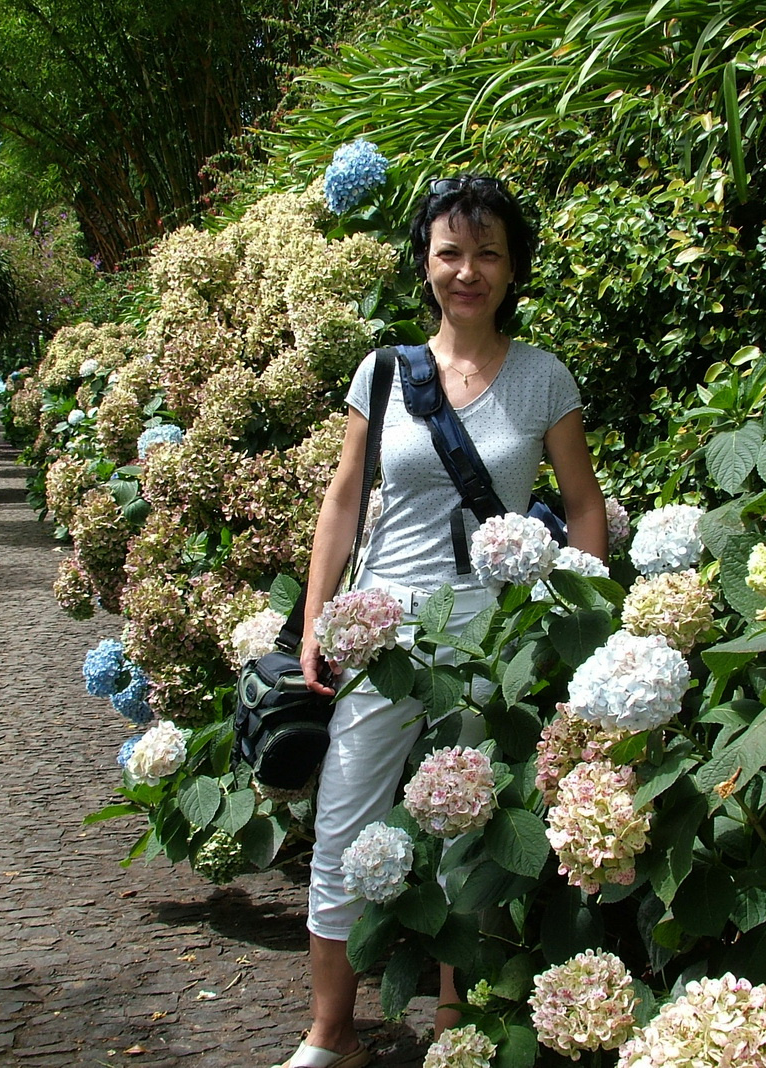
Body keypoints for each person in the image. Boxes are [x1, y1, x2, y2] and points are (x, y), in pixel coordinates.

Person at [277, 174, 607, 1068]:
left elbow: (584, 506)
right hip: (382, 625)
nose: (469, 270)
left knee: (471, 825)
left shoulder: (544, 377)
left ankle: (458, 1035)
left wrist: (576, 607)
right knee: (345, 814)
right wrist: (315, 618)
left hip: (493, 631)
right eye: (451, 252)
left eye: (488, 252)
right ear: (425, 263)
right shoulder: (383, 371)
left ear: (513, 266)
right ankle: (330, 1033)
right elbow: (344, 500)